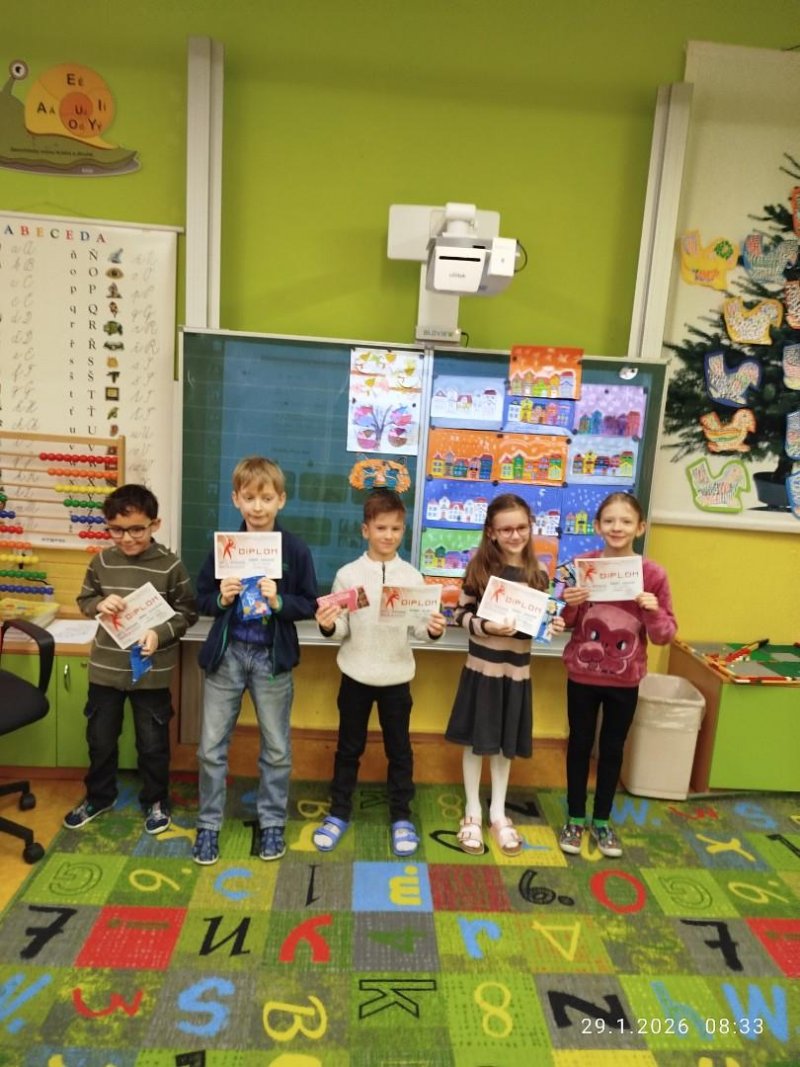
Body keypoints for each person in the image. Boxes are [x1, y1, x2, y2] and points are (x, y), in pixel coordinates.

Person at [192, 456, 317, 866]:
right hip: (228, 656)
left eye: (266, 498)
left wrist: (279, 601)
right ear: (236, 500)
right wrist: (221, 598)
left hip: (271, 659)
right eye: (249, 498)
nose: (257, 507)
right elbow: (199, 598)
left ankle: (272, 822)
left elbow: (309, 603)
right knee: (211, 748)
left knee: (277, 749)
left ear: (281, 500)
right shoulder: (223, 547)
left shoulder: (294, 549)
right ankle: (208, 825)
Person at [312, 488, 447, 857]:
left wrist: (434, 629)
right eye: (381, 527)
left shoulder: (412, 577)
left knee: (399, 750)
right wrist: (327, 625)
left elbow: (420, 630)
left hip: (397, 679)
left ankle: (401, 816)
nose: (388, 535)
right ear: (365, 530)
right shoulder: (348, 576)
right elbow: (340, 628)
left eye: (396, 529)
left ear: (404, 531)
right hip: (355, 676)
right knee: (348, 748)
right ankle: (339, 812)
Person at [64, 484, 198, 834]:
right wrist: (98, 604)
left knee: (152, 744)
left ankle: (156, 800)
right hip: (105, 671)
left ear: (155, 524)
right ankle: (99, 797)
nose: (126, 538)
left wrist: (160, 633)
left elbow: (188, 612)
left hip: (151, 673)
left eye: (137, 529)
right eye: (117, 530)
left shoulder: (170, 565)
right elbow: (85, 600)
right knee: (100, 740)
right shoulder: (102, 561)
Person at [444, 493, 564, 857]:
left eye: (522, 527)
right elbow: (459, 615)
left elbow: (538, 624)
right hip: (482, 670)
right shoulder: (479, 571)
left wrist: (552, 625)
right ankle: (472, 811)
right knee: (475, 741)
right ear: (491, 532)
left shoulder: (538, 575)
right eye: (506, 529)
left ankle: (497, 812)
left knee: (503, 745)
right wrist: (487, 627)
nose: (515, 535)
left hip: (516, 673)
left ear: (531, 527)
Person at [559, 491, 677, 858]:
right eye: (609, 520)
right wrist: (570, 605)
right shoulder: (582, 565)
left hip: (625, 680)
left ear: (640, 528)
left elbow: (665, 635)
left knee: (612, 749)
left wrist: (653, 610)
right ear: (597, 526)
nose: (617, 527)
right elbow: (564, 623)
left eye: (626, 521)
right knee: (579, 745)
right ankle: (575, 818)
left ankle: (602, 820)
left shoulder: (653, 574)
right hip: (582, 675)